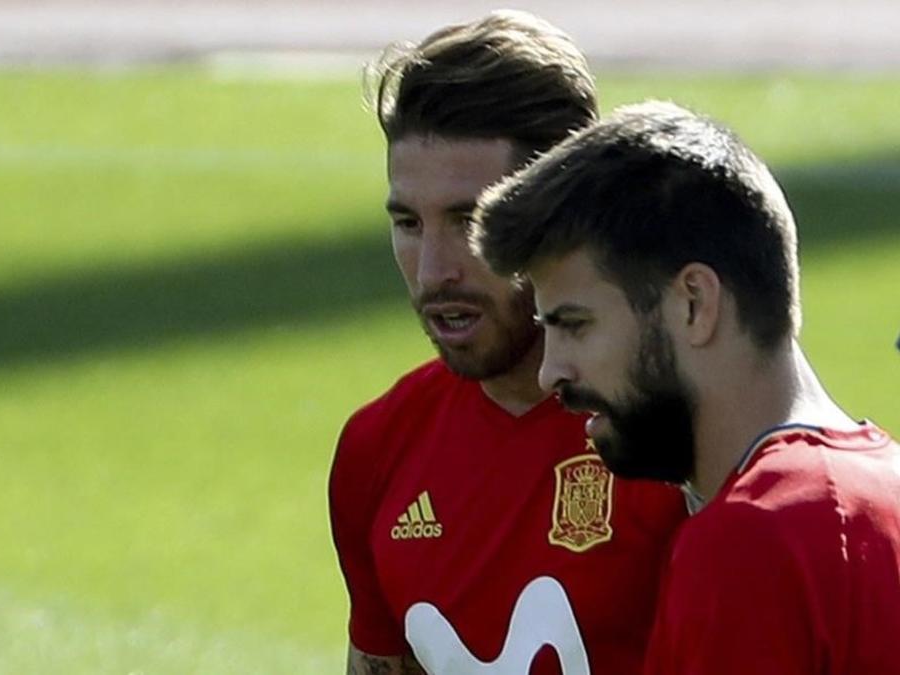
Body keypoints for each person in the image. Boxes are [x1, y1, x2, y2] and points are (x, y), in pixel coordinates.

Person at [472, 100, 900, 674]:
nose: (552, 371)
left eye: (574, 325)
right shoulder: (882, 490)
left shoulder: (751, 542)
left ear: (693, 304)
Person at [328, 12, 687, 675]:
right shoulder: (378, 450)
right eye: (408, 222)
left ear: (569, 210)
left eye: (471, 219)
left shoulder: (687, 439)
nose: (434, 270)